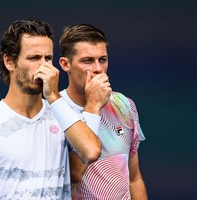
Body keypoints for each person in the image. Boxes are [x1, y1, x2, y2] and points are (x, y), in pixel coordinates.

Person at [0, 19, 102, 200]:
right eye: (34, 58)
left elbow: (91, 152)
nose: (44, 66)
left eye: (48, 58)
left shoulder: (63, 114)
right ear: (9, 62)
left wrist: (53, 97)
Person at [58, 24, 147, 199]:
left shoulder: (123, 105)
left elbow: (134, 179)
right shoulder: (54, 112)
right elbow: (74, 174)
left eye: (103, 59)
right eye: (87, 60)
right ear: (65, 64)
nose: (98, 68)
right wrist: (93, 106)